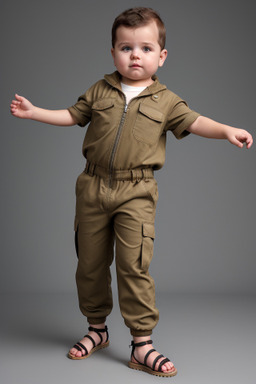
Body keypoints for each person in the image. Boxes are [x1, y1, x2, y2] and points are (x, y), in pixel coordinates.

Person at [10, 7, 253, 378]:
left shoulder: (167, 100)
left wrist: (226, 130)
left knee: (133, 264)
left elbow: (195, 121)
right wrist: (34, 112)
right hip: (92, 187)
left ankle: (142, 344)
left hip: (136, 191)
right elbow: (72, 116)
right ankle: (97, 330)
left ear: (161, 56)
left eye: (145, 48)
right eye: (126, 47)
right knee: (89, 263)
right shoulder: (100, 89)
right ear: (113, 53)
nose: (135, 55)